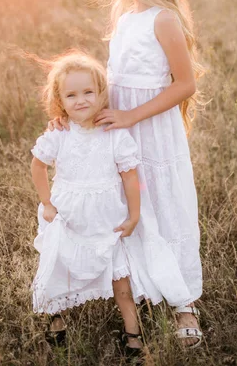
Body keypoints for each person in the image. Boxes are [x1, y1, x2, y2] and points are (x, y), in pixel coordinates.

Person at [49, 0, 204, 349]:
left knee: (166, 204)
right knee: (130, 204)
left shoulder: (164, 19)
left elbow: (184, 83)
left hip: (152, 126)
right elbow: (108, 83)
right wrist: (72, 117)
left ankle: (184, 301)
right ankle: (138, 283)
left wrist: (133, 116)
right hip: (117, 125)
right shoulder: (125, 18)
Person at [30, 51, 146, 361]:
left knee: (120, 279)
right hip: (67, 215)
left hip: (107, 218)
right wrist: (46, 203)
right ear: (60, 100)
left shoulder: (114, 133)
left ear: (101, 93)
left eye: (88, 92)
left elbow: (130, 177)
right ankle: (56, 320)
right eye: (71, 94)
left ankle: (133, 333)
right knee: (59, 267)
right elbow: (38, 166)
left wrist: (133, 215)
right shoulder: (60, 133)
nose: (81, 100)